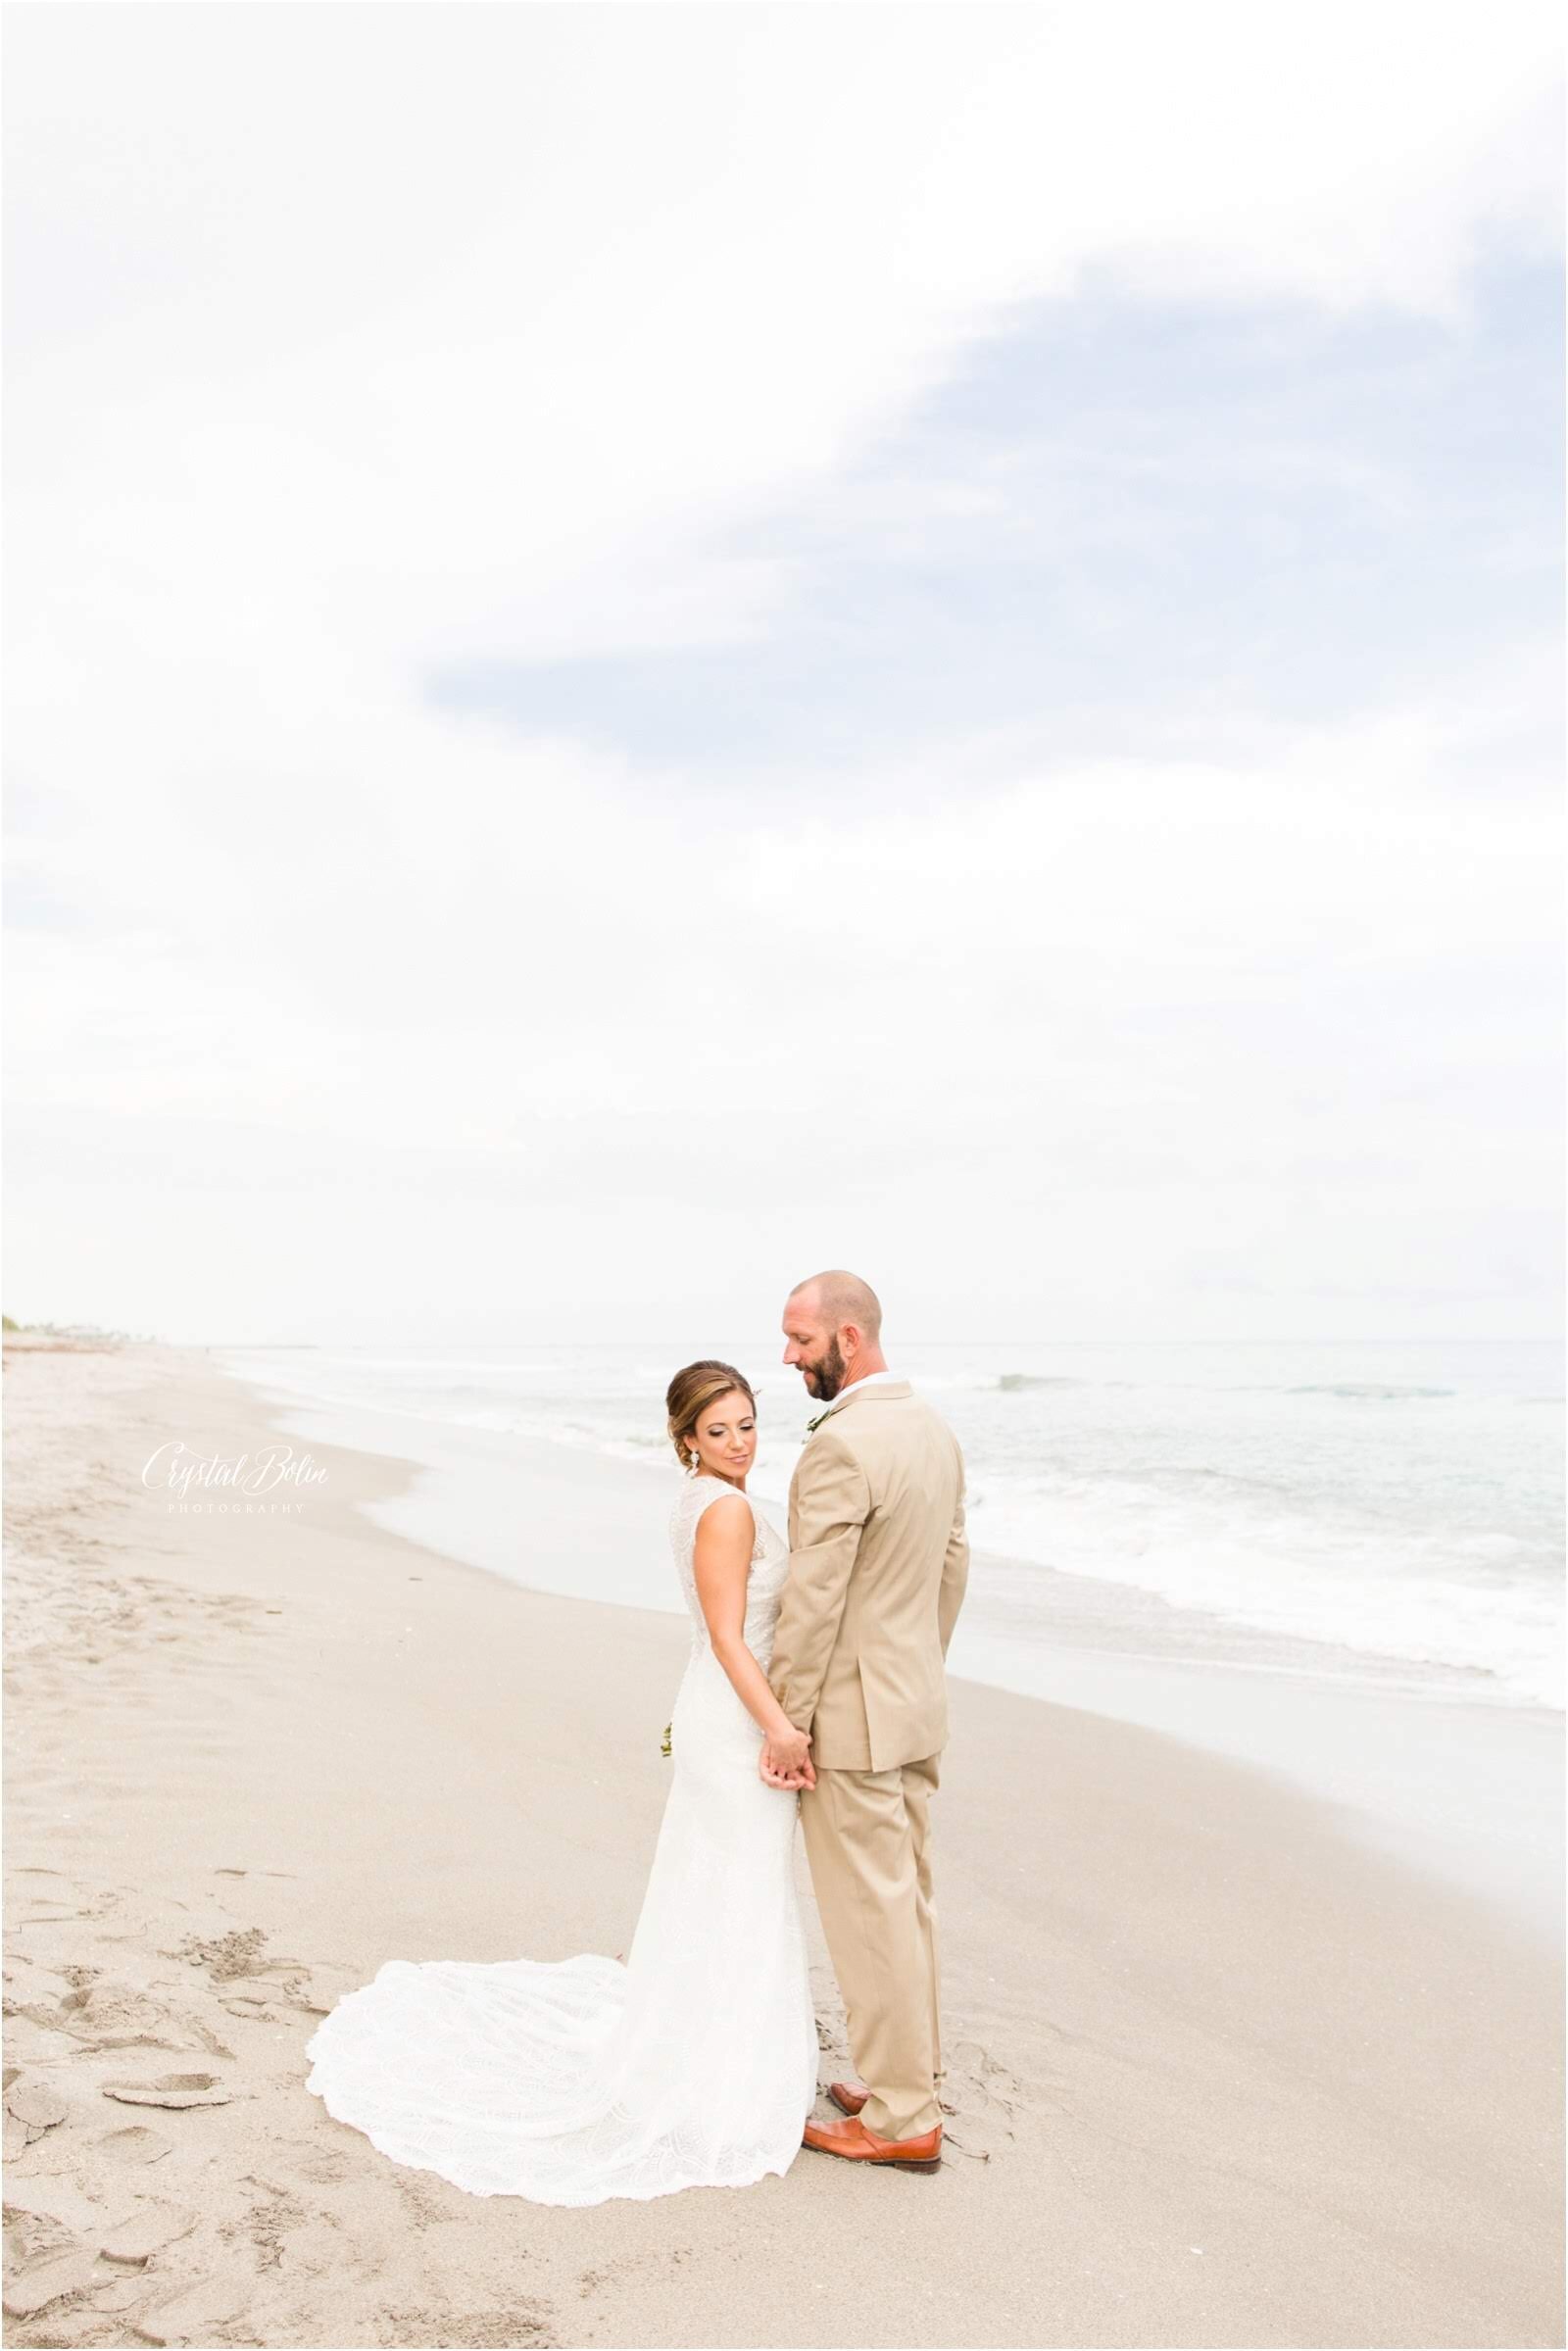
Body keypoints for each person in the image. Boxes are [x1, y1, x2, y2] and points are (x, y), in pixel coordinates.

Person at [303, 1359, 817, 2204]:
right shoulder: (723, 1509)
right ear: (686, 1438)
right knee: (742, 1892)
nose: (738, 1443)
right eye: (717, 1430)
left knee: (716, 1887)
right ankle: (721, 2085)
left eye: (748, 1424)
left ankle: (699, 2057)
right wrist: (781, 1727)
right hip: (735, 1717)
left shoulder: (703, 1500)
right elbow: (730, 1637)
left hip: (716, 1709)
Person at [765, 1270, 969, 2173]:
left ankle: (899, 2117)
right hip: (916, 1703)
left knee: (869, 1915)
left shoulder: (842, 1448)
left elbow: (814, 1599)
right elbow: (953, 1565)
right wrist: (917, 1663)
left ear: (849, 1339)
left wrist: (786, 1720)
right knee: (908, 1902)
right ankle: (904, 2077)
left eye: (801, 1340)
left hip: (852, 1718)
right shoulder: (932, 1428)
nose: (788, 1356)